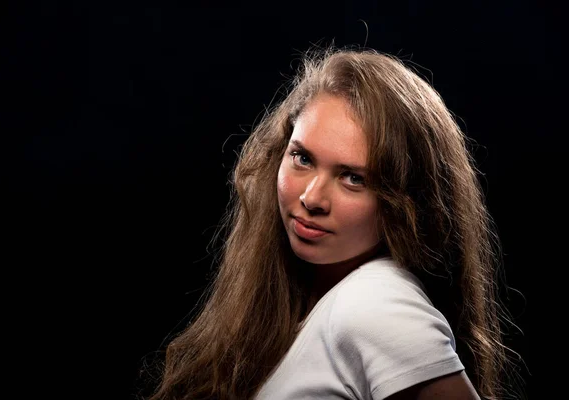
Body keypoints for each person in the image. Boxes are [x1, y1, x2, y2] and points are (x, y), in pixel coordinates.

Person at [142, 45, 524, 400]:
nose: (311, 198)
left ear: (406, 202)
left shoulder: (377, 302)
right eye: (302, 159)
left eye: (353, 178)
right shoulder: (312, 303)